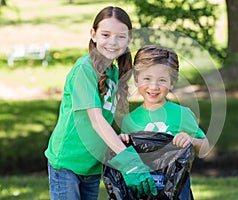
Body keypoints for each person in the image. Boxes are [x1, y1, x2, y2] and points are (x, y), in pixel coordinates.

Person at [44, 6, 157, 200]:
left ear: (129, 40)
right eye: (106, 34)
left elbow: (108, 118)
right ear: (93, 34)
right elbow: (96, 120)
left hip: (93, 165)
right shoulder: (84, 69)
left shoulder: (113, 72)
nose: (113, 42)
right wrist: (129, 162)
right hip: (67, 163)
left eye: (121, 36)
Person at [120, 45, 210, 199]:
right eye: (147, 79)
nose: (153, 87)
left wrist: (191, 140)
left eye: (162, 80)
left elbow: (205, 148)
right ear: (136, 79)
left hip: (175, 192)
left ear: (172, 82)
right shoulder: (130, 120)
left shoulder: (182, 114)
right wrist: (122, 141)